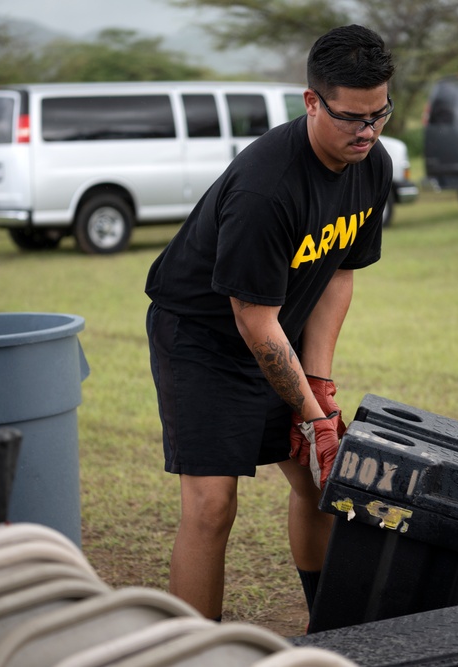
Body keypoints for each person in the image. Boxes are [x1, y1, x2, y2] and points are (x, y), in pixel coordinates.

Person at [144, 23, 395, 622]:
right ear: (311, 102)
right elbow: (251, 321)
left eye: (380, 114)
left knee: (317, 484)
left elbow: (338, 271)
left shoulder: (371, 164)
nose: (368, 131)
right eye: (351, 118)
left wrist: (322, 386)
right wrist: (314, 417)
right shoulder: (267, 188)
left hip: (278, 333)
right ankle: (195, 653)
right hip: (204, 340)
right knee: (212, 505)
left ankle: (329, 629)